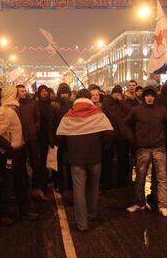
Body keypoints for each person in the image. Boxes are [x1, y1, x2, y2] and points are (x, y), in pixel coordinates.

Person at [56, 89, 113, 231]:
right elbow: (109, 134)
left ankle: (82, 224)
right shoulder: (98, 114)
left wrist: (68, 148)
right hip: (95, 156)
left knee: (78, 190)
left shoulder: (68, 115)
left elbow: (59, 137)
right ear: (89, 98)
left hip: (76, 158)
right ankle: (91, 213)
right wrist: (102, 147)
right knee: (93, 186)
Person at [0, 86, 39, 226]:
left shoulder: (12, 110)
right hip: (10, 154)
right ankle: (2, 214)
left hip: (17, 152)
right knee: (7, 184)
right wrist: (8, 149)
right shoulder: (5, 111)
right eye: (16, 94)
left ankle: (25, 209)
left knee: (21, 181)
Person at [125, 87, 167, 217]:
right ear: (143, 97)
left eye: (152, 95)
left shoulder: (161, 109)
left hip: (159, 147)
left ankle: (163, 205)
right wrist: (132, 139)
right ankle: (139, 203)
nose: (149, 98)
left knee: (162, 177)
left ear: (155, 97)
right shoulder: (136, 110)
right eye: (147, 95)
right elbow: (127, 123)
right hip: (143, 148)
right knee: (140, 177)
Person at [101, 85, 132, 188]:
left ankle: (122, 180)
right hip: (110, 134)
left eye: (119, 93)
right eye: (116, 93)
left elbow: (130, 111)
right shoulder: (107, 103)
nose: (117, 95)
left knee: (123, 158)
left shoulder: (123, 103)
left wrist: (122, 101)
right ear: (112, 93)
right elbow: (110, 115)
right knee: (108, 159)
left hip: (122, 135)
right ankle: (108, 181)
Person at [16, 85, 42, 198]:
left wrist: (35, 128)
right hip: (20, 137)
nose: (24, 93)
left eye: (24, 91)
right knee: (21, 163)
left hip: (31, 136)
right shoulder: (15, 105)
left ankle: (36, 185)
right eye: (21, 91)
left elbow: (37, 117)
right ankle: (23, 185)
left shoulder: (32, 103)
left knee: (34, 161)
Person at [35, 85, 56, 193]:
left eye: (45, 91)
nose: (44, 93)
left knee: (54, 161)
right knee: (42, 161)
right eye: (42, 91)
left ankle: (55, 180)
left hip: (52, 135)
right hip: (41, 137)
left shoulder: (53, 105)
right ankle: (43, 182)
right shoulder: (36, 105)